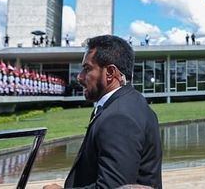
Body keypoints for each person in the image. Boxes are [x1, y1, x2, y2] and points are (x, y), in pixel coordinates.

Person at [49, 35, 162, 189]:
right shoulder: (130, 102)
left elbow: (113, 187)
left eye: (87, 69)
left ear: (110, 72)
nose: (80, 77)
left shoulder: (119, 118)